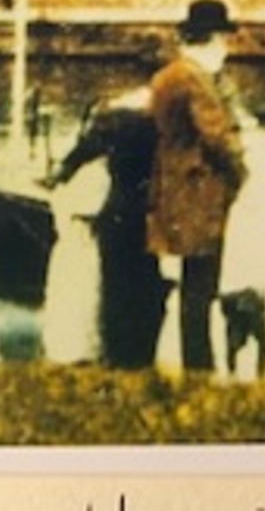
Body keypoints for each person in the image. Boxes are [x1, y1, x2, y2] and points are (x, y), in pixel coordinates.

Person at [147, 0, 248, 373]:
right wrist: (241, 171)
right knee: (201, 287)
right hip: (198, 191)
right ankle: (200, 367)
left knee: (194, 285)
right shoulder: (194, 79)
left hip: (175, 187)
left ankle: (197, 363)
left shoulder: (169, 75)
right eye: (224, 39)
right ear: (214, 39)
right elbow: (217, 135)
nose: (227, 48)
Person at [51, 84, 167, 370]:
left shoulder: (114, 124)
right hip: (148, 212)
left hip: (116, 212)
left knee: (114, 289)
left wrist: (62, 172)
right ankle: (141, 354)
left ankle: (116, 352)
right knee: (145, 288)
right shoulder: (158, 125)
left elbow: (80, 154)